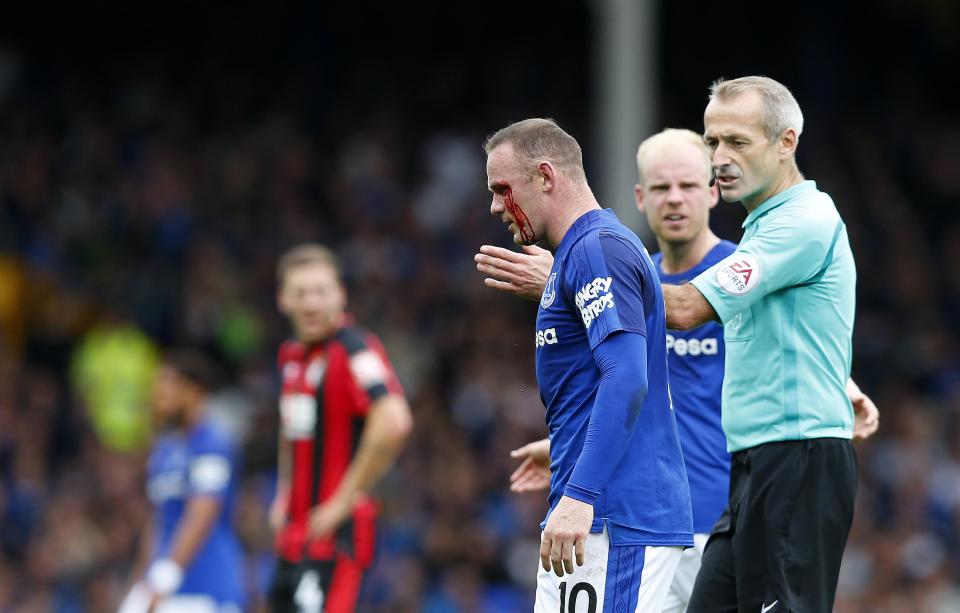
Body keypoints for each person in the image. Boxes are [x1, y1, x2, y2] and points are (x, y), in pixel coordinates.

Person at [479, 117, 880, 612]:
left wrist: (844, 382)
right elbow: (635, 382)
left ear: (712, 193)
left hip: (692, 510)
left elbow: (792, 338)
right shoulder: (617, 262)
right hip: (642, 499)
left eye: (689, 185)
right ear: (641, 197)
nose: (674, 198)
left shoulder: (732, 271)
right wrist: (575, 445)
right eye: (661, 187)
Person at [491, 127, 733, 612]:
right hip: (607, 511)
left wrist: (580, 494)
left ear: (544, 177)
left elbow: (626, 377)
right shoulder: (585, 252)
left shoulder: (598, 250)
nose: (497, 206)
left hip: (619, 516)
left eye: (502, 190)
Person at [658, 76, 876, 612]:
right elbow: (786, 328)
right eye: (712, 142)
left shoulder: (801, 222)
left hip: (796, 460)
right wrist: (840, 380)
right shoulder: (766, 228)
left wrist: (571, 278)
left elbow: (685, 310)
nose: (720, 157)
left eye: (738, 141)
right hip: (757, 462)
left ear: (787, 142)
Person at [268, 244, 412, 613]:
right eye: (301, 293)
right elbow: (292, 431)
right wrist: (284, 492)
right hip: (294, 535)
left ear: (341, 295)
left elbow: (393, 419)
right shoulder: (291, 356)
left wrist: (343, 500)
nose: (312, 303)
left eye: (321, 291)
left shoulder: (354, 349)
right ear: (283, 299)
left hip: (334, 537)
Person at [120, 349, 245, 613]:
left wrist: (166, 577)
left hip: (206, 588)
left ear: (195, 391)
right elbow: (158, 520)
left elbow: (202, 513)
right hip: (163, 585)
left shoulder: (211, 444)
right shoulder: (164, 450)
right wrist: (142, 578)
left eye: (168, 383)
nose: (159, 394)